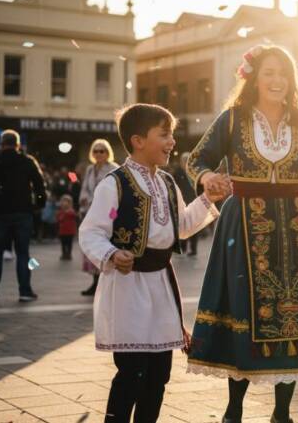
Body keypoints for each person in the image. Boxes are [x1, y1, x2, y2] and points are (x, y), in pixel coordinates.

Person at [185, 44, 298, 423]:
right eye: (269, 73)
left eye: (284, 74)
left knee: (293, 313)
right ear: (254, 78)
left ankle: (282, 413)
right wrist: (207, 177)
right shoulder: (232, 119)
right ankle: (234, 410)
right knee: (242, 310)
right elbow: (197, 158)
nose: (278, 80)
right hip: (243, 225)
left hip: (295, 227)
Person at [78, 104, 222, 423]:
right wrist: (112, 254)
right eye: (165, 134)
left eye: (171, 134)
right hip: (128, 285)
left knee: (159, 372)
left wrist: (207, 199)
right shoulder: (114, 184)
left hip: (160, 285)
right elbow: (91, 232)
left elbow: (181, 225)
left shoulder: (167, 182)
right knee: (132, 371)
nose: (172, 141)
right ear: (138, 141)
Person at [0, 130, 47, 303]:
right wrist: (38, 205)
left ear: (1, 144)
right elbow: (40, 185)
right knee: (23, 254)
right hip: (23, 212)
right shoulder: (28, 161)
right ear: (18, 145)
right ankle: (25, 291)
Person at [78, 139, 120, 295]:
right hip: (91, 211)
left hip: (109, 212)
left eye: (102, 151)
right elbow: (85, 188)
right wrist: (83, 201)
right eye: (95, 151)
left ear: (108, 153)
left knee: (106, 244)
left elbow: (117, 191)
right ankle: (95, 281)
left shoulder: (114, 168)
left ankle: (105, 281)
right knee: (93, 244)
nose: (98, 154)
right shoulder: (90, 169)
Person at [173, 152, 200, 257]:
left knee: (194, 226)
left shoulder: (195, 172)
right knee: (182, 225)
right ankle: (182, 247)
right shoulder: (177, 173)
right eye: (184, 161)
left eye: (188, 160)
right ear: (181, 162)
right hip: (182, 203)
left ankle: (193, 249)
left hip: (193, 201)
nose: (186, 163)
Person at [56, 194, 77, 261]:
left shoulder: (72, 211)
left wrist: (67, 212)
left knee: (69, 243)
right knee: (63, 243)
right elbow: (58, 219)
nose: (65, 203)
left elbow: (74, 216)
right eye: (63, 201)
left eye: (67, 202)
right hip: (62, 231)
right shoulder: (60, 212)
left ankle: (69, 254)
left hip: (70, 231)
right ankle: (64, 254)